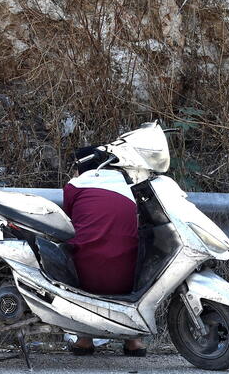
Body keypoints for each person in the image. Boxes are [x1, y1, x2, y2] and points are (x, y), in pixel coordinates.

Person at [63, 148, 146, 357]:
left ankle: (84, 339)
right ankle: (133, 341)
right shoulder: (127, 186)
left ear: (81, 166)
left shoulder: (74, 187)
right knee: (132, 254)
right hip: (128, 275)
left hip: (87, 275)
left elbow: (69, 220)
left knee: (72, 255)